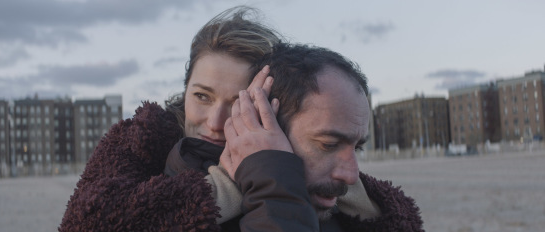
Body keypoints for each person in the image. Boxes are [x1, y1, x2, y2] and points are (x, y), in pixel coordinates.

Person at [59, 6, 282, 231]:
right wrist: (223, 190)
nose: (214, 123)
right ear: (185, 91)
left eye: (238, 104)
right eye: (202, 96)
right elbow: (86, 222)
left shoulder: (294, 167)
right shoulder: (141, 139)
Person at [219, 43, 425, 231]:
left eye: (357, 147)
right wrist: (272, 183)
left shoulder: (380, 216)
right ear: (257, 125)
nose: (352, 176)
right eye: (329, 145)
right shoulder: (198, 215)